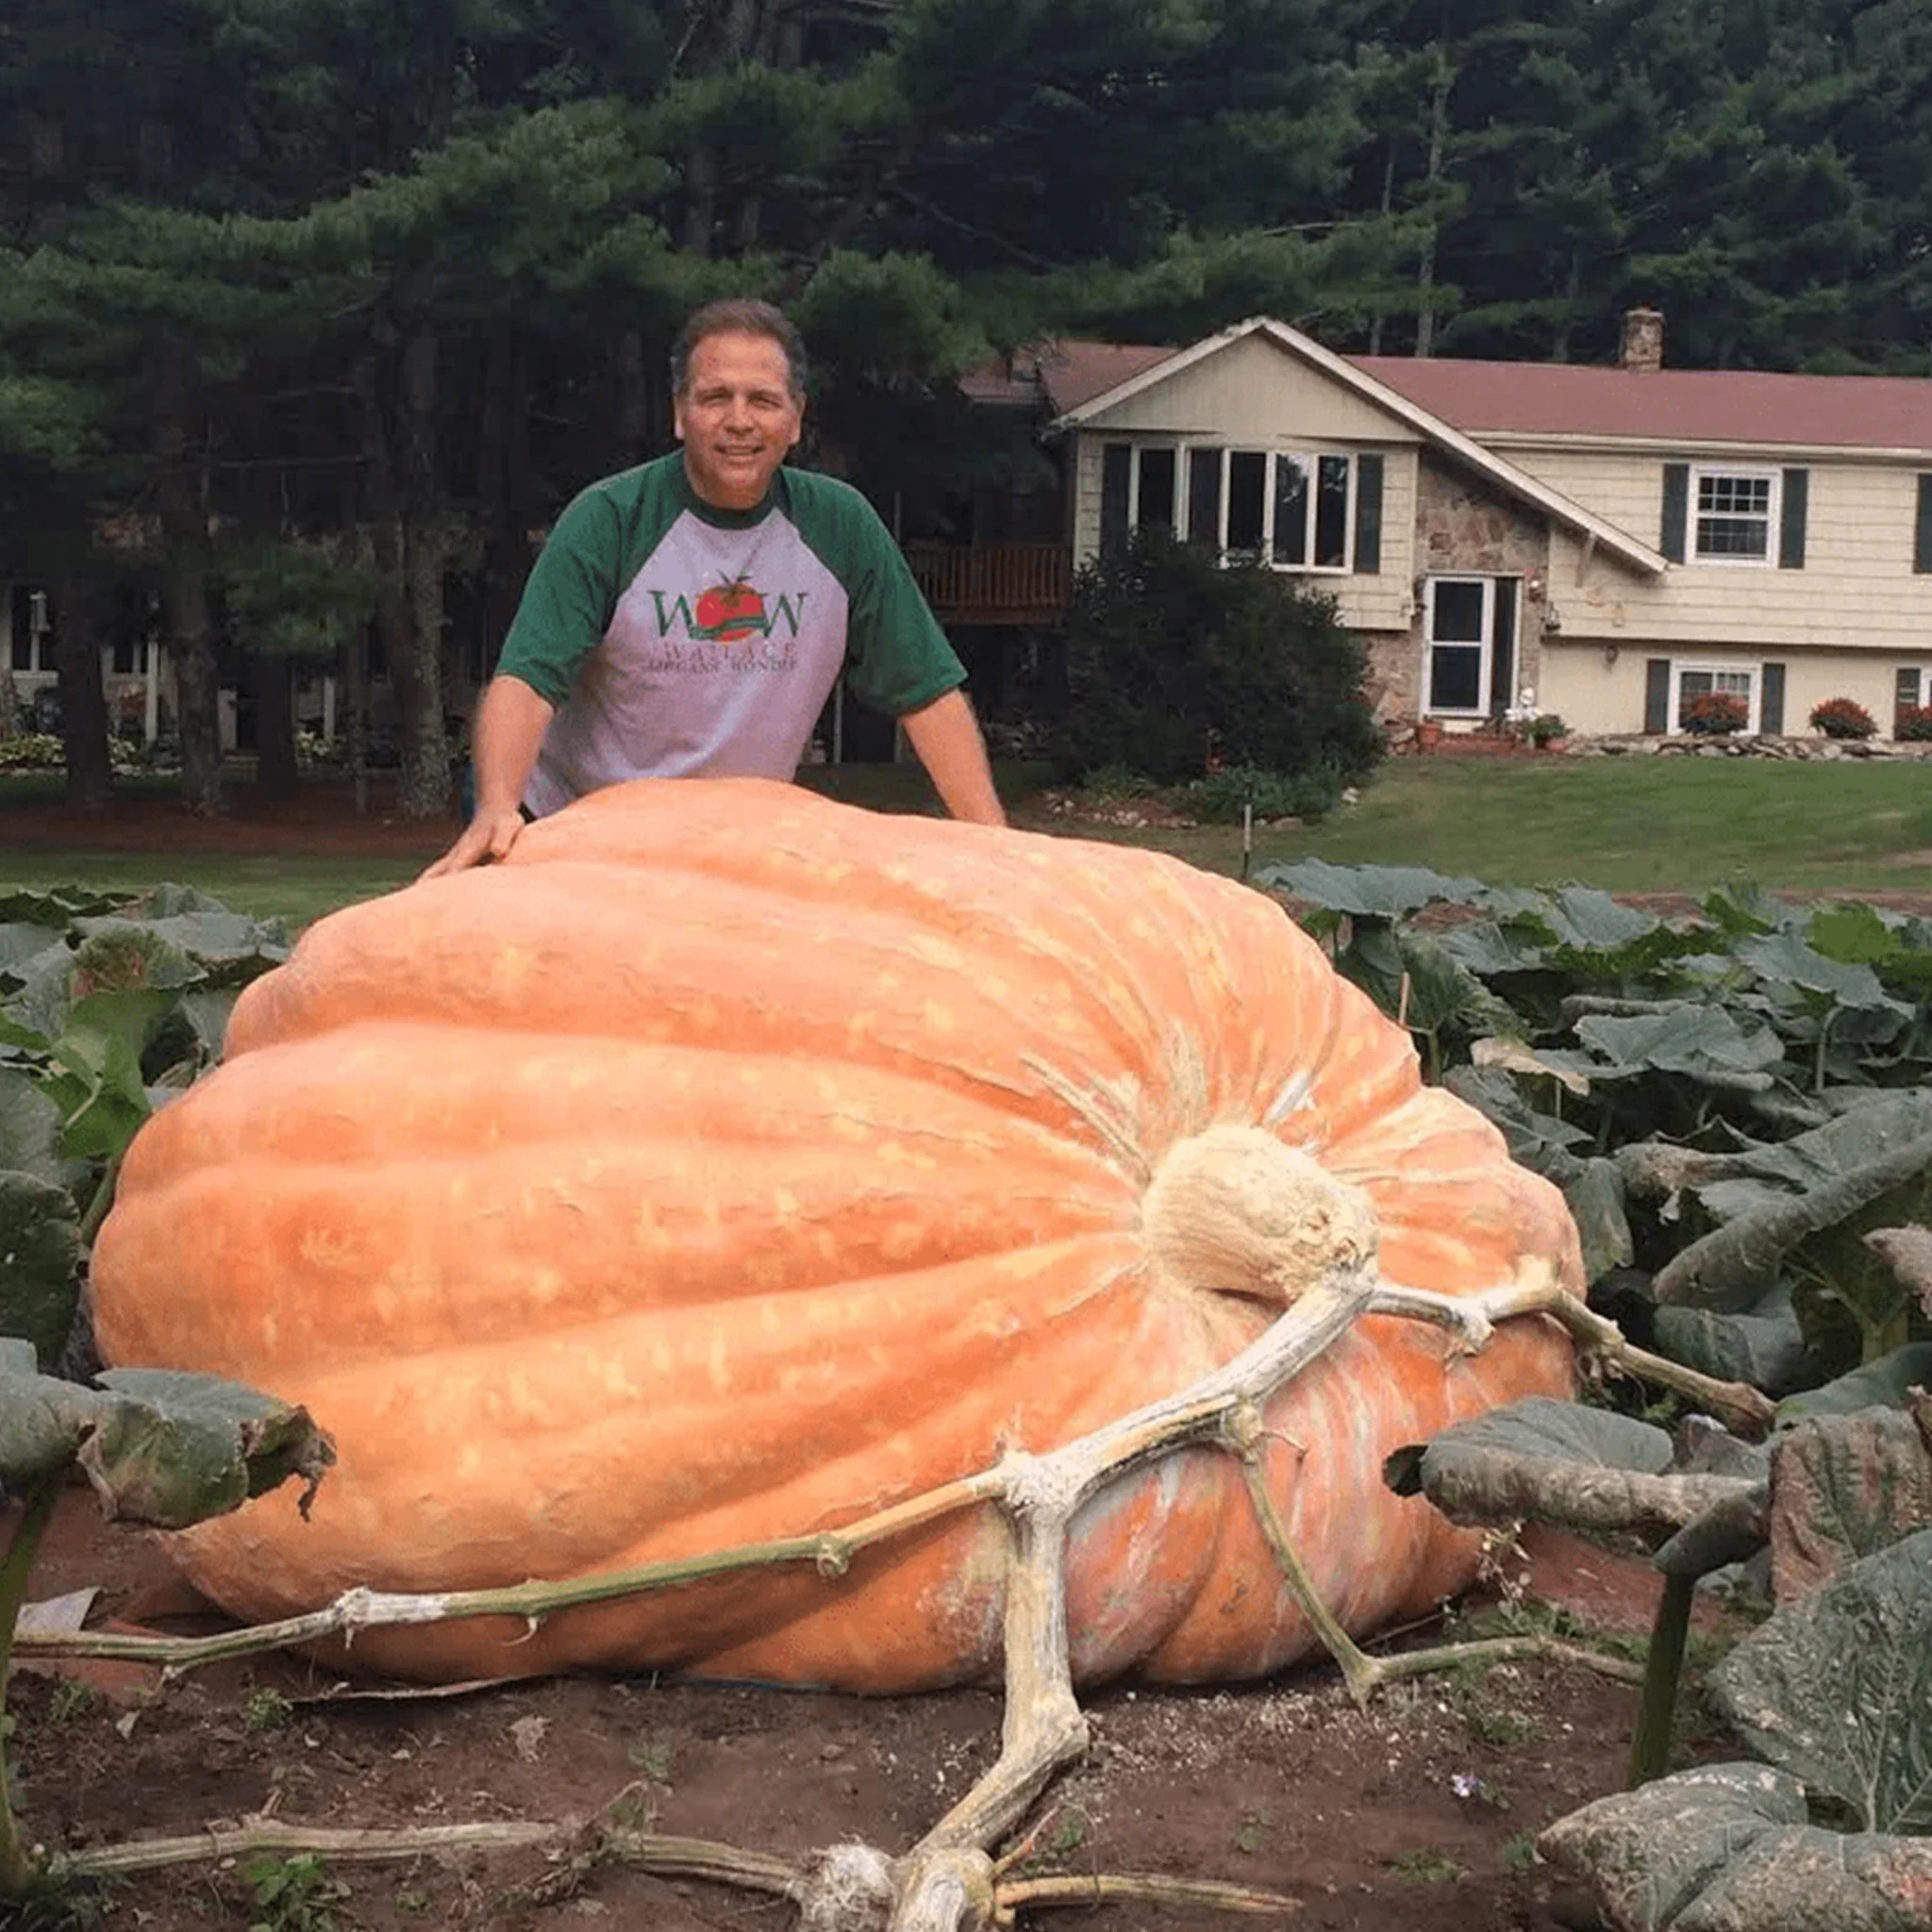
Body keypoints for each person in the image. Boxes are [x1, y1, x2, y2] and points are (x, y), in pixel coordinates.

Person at [425, 298, 1005, 877]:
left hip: (729, 844)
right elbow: (527, 680)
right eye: (715, 397)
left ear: (796, 418)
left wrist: (994, 844)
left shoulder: (842, 526)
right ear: (680, 413)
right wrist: (498, 805)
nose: (739, 421)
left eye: (763, 400)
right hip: (569, 824)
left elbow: (926, 692)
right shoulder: (608, 520)